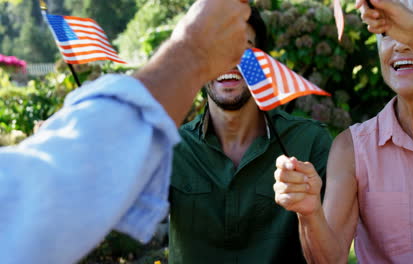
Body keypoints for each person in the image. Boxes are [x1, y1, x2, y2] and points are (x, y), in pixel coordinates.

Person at [0, 0, 251, 263]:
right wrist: (192, 52)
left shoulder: (295, 138)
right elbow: (40, 199)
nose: (232, 65)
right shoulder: (180, 144)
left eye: (245, 50)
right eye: (232, 50)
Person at [274, 0, 413, 263]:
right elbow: (328, 260)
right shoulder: (351, 148)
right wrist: (310, 214)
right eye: (388, 34)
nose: (400, 44)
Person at [168, 7, 332, 263]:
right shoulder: (171, 147)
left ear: (261, 62)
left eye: (242, 48)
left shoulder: (310, 142)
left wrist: (311, 214)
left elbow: (332, 258)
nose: (228, 60)